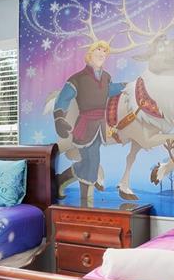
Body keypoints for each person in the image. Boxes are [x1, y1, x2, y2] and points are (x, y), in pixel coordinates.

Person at [53, 41, 125, 200]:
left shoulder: (106, 77)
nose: (102, 54)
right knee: (91, 161)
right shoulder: (77, 79)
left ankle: (61, 180)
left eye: (105, 52)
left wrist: (128, 86)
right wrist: (59, 117)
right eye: (98, 49)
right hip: (85, 126)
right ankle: (86, 201)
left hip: (100, 126)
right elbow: (63, 99)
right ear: (90, 54)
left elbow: (109, 90)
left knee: (89, 162)